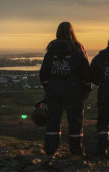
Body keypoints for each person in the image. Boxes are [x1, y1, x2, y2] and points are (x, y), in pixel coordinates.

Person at [39, 22, 91, 157]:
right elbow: (86, 72)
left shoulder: (51, 49)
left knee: (52, 121)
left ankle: (50, 150)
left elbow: (43, 73)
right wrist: (85, 89)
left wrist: (49, 87)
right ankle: (76, 150)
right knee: (75, 122)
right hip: (74, 93)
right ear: (72, 32)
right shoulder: (78, 48)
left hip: (54, 92)